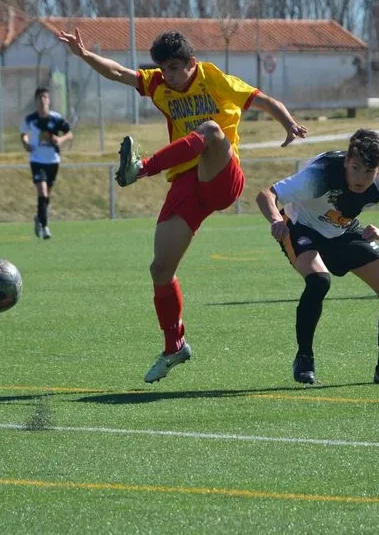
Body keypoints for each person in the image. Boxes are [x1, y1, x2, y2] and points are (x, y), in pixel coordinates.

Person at [58, 28, 308, 383]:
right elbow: (118, 73)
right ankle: (174, 346)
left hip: (221, 176)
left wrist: (289, 124)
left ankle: (140, 168)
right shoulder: (159, 84)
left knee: (211, 130)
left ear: (191, 62)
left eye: (175, 68)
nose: (169, 75)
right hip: (186, 183)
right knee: (160, 269)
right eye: (164, 69)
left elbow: (264, 101)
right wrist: (84, 55)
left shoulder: (213, 79)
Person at [256, 129, 379, 385]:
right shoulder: (322, 173)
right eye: (355, 168)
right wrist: (275, 220)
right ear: (347, 160)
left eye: (368, 171)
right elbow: (266, 195)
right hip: (299, 226)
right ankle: (304, 357)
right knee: (319, 280)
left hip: (343, 229)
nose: (360, 178)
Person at [20, 87, 74, 239]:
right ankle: (45, 227)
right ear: (36, 101)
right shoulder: (30, 119)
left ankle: (39, 217)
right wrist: (26, 144)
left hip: (52, 160)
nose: (42, 100)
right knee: (42, 191)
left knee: (46, 195)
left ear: (49, 100)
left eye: (45, 97)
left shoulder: (56, 118)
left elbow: (69, 134)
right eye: (40, 98)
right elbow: (23, 134)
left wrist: (60, 140)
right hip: (37, 159)